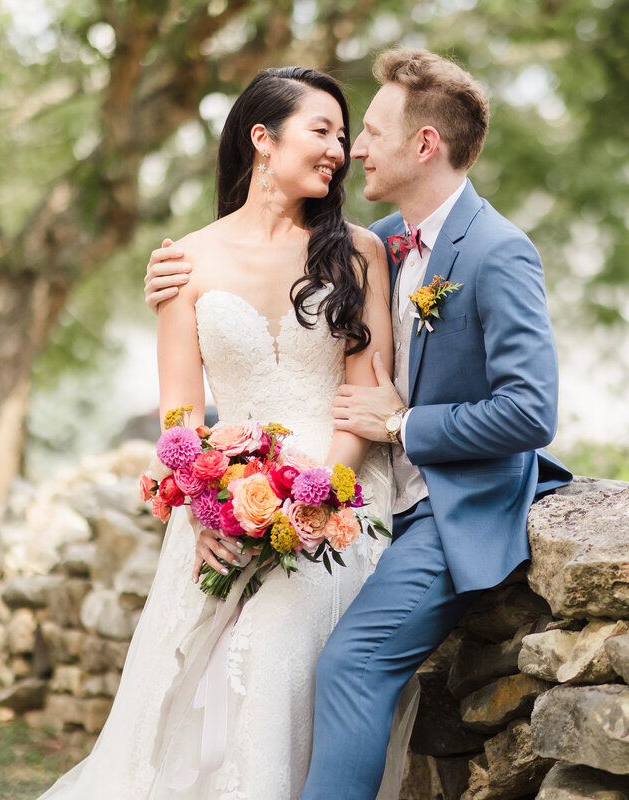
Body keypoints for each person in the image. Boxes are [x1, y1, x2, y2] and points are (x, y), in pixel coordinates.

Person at [144, 49, 571, 799]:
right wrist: (172, 278)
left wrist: (401, 426)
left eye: (365, 133)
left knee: (343, 664)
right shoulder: (376, 242)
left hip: (447, 502)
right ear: (262, 139)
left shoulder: (500, 251)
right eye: (339, 135)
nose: (352, 152)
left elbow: (532, 411)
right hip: (367, 495)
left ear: (424, 145)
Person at [41, 67, 412, 800]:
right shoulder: (187, 260)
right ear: (261, 139)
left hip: (339, 491)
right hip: (225, 496)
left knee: (269, 653)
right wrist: (202, 507)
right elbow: (180, 417)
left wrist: (317, 496)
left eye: (344, 135)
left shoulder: (360, 252)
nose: (340, 149)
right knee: (179, 695)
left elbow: (367, 396)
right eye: (323, 131)